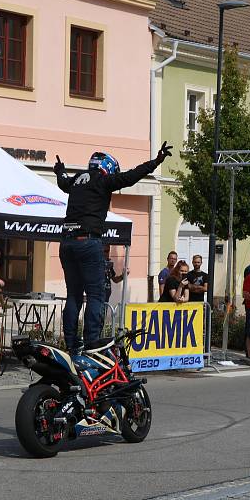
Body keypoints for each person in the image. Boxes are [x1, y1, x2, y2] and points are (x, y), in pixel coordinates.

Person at [54, 141, 172, 353]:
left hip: (67, 243)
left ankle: (71, 344)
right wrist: (155, 162)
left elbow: (62, 182)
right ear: (107, 167)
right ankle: (91, 343)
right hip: (88, 242)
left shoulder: (77, 180)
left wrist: (60, 169)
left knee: (73, 295)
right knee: (96, 295)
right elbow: (130, 177)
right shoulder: (102, 180)